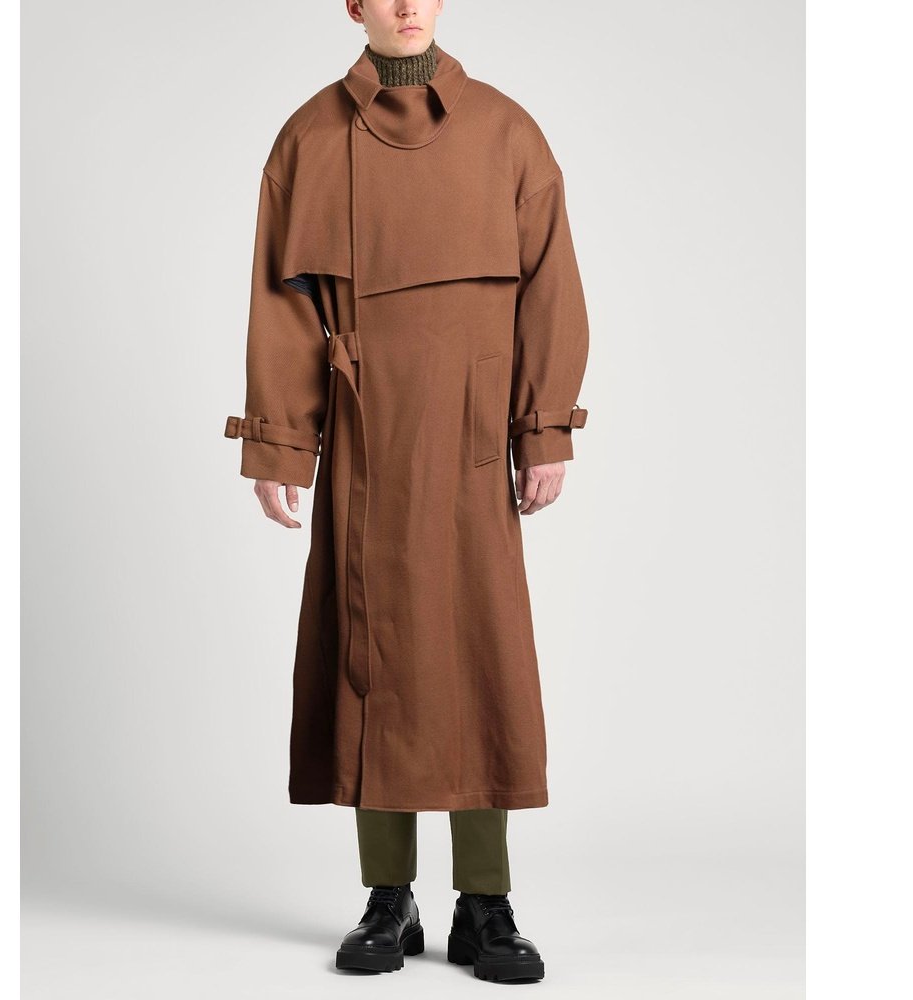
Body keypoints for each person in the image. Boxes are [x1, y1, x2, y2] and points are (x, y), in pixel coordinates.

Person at [224, 0, 590, 983]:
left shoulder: (507, 132)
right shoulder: (309, 138)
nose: (405, 4)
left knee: (481, 661)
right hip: (367, 440)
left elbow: (551, 287)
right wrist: (281, 445)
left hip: (474, 444)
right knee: (370, 658)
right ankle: (388, 897)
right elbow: (281, 306)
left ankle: (485, 903)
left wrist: (542, 428)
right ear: (353, 4)